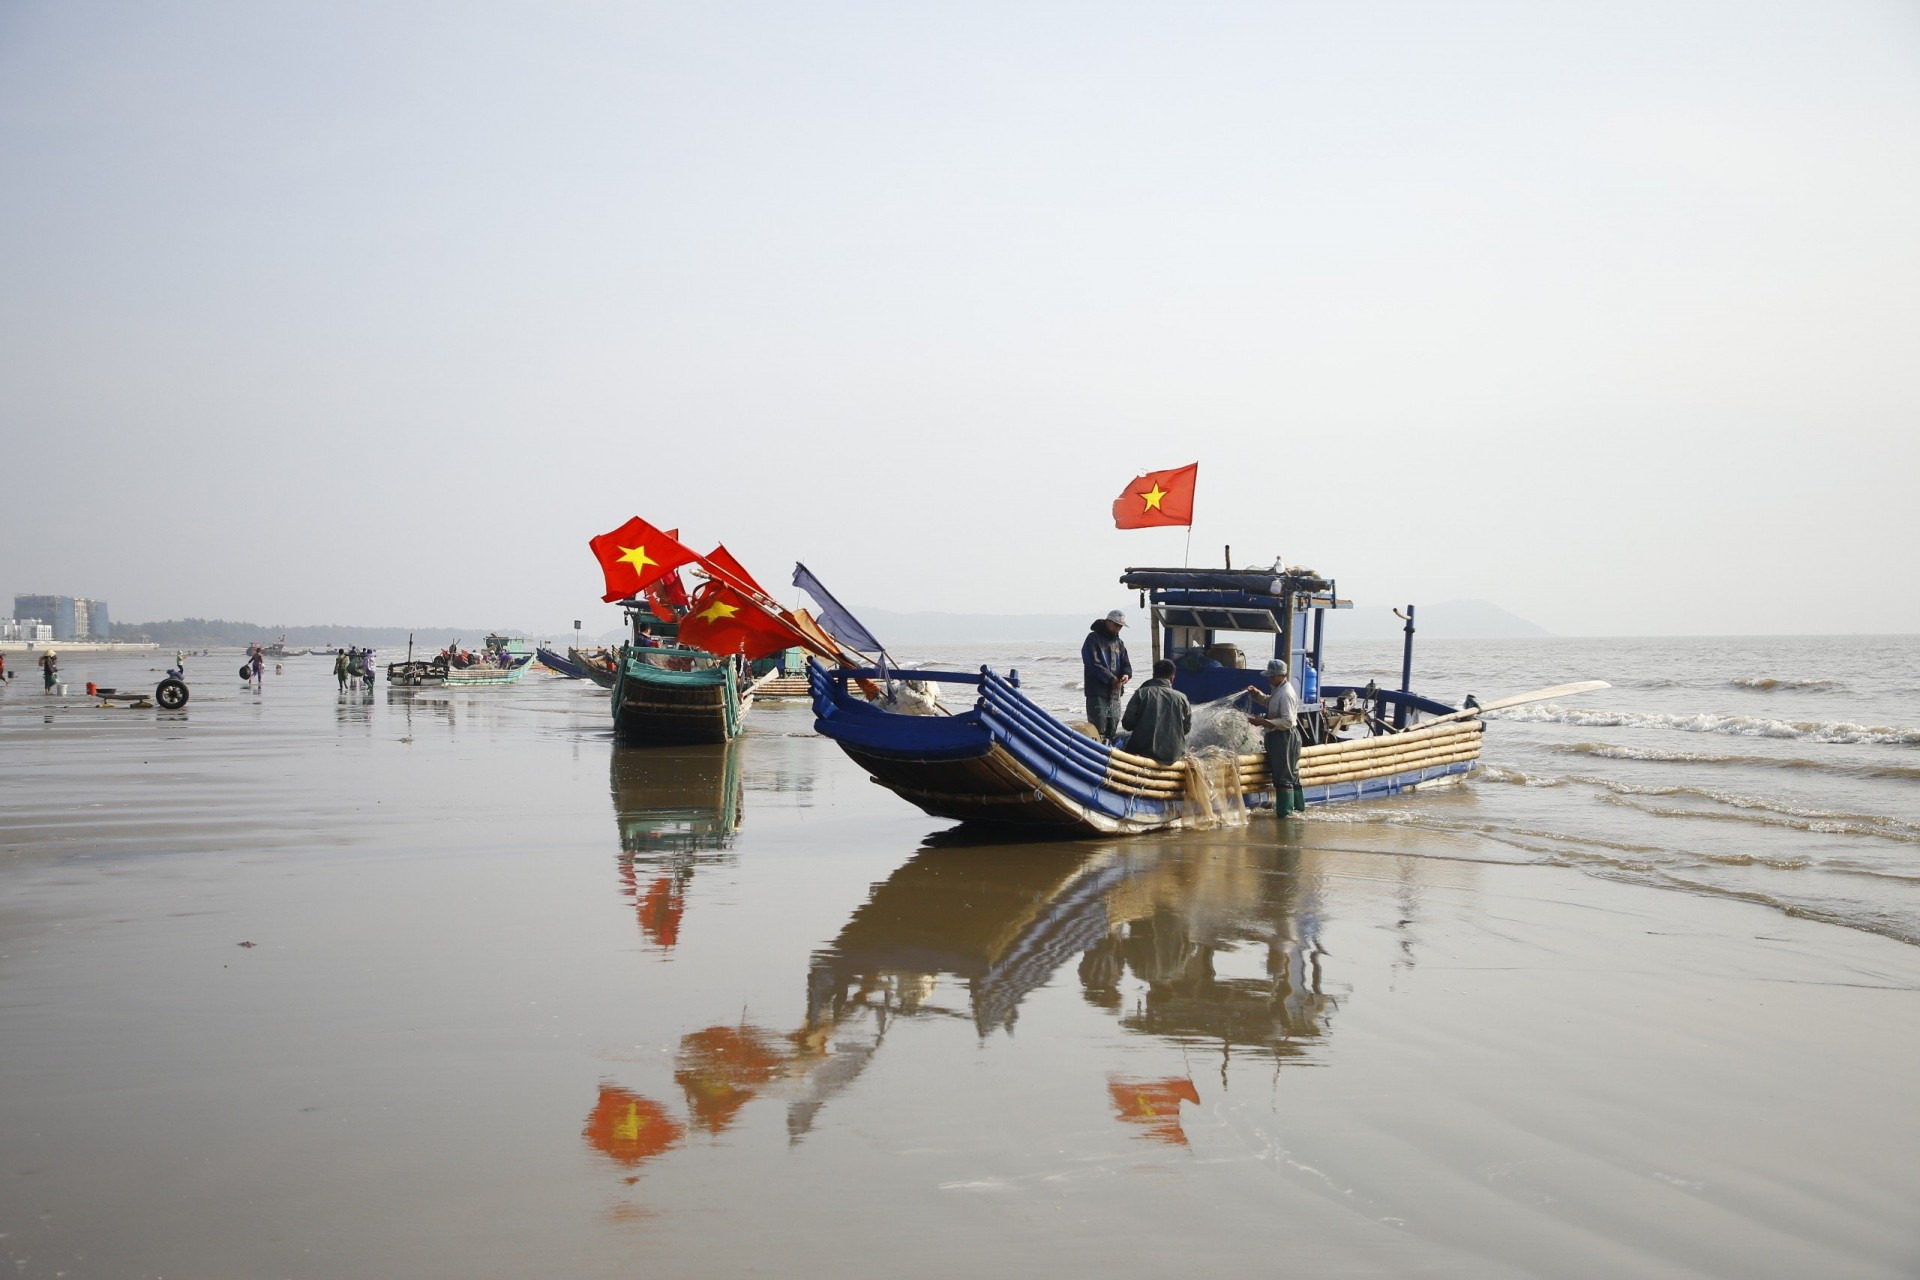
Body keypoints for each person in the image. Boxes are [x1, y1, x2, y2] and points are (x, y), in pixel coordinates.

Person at [1247, 659, 1305, 816]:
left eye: (1272, 677)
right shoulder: (1279, 689)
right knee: (1292, 774)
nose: (1269, 679)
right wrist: (1256, 694)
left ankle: (1285, 815)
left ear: (1282, 675)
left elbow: (1287, 721)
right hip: (1282, 736)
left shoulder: (1286, 694)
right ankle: (1298, 810)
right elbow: (1270, 702)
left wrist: (1262, 722)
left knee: (1283, 777)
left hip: (1284, 737)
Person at [1121, 660, 1192, 765]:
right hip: (1174, 755)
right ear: (1172, 678)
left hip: (1143, 753)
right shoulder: (1182, 697)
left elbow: (1127, 724)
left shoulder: (1141, 693)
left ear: (1153, 675)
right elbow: (1186, 729)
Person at [1080, 609, 1133, 743]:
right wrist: (1110, 678)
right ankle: (1096, 754)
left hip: (1115, 692)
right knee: (1098, 727)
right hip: (1097, 691)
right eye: (1116, 625)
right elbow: (1092, 663)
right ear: (1107, 622)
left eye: (1120, 626)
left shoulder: (1119, 643)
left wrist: (1126, 675)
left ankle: (1110, 754)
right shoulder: (1093, 638)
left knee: (1113, 725)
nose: (1118, 628)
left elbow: (1126, 663)